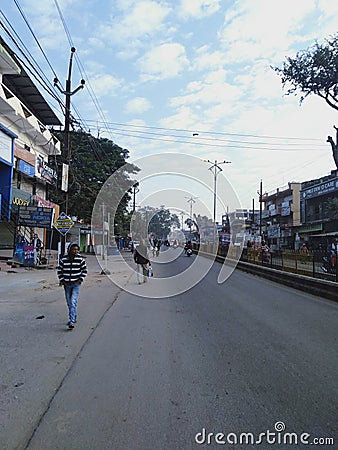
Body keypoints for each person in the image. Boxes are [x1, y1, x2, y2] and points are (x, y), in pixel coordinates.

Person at [57, 242, 87, 329]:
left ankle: (71, 321)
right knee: (69, 302)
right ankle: (74, 315)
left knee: (73, 301)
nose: (75, 251)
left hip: (76, 284)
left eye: (77, 249)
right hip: (67, 284)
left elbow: (84, 270)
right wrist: (62, 280)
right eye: (74, 249)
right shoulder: (63, 260)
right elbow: (59, 271)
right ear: (70, 250)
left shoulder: (80, 260)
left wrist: (80, 279)